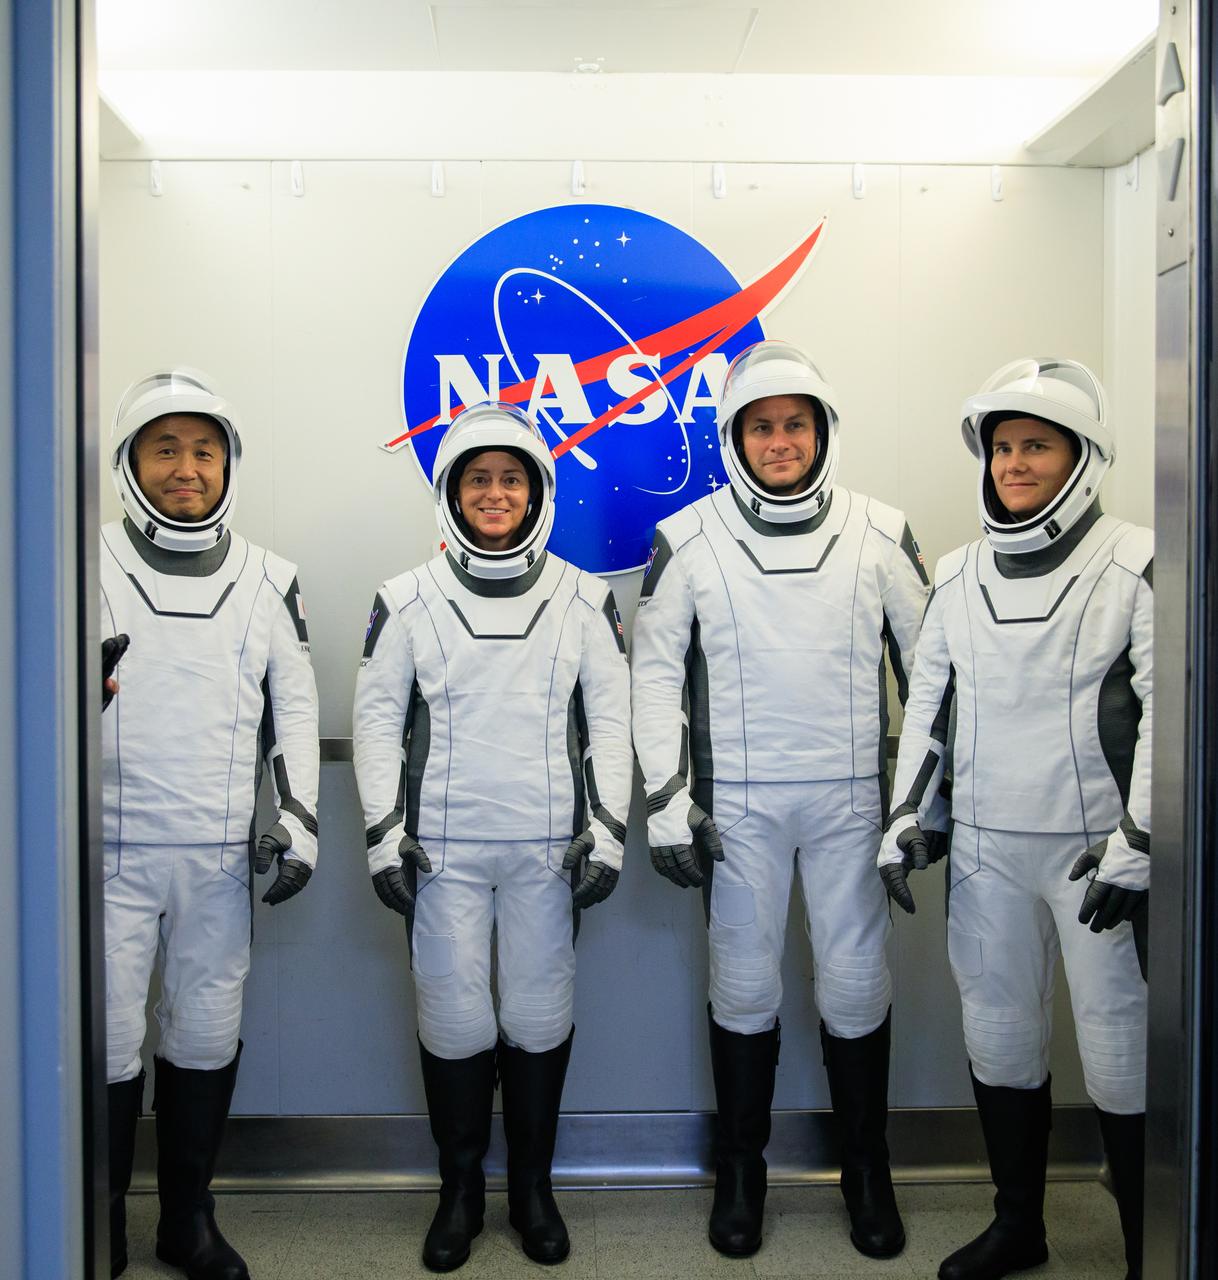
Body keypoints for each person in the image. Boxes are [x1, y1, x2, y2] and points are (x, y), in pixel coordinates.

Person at [631, 340, 930, 1259]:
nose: (780, 441)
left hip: (850, 805)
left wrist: (921, 804)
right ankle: (742, 1171)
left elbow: (932, 673)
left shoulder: (883, 530)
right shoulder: (687, 539)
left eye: (795, 423)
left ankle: (866, 1170)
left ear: (822, 430)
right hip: (740, 812)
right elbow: (652, 678)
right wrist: (669, 798)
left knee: (853, 984)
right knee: (746, 986)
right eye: (761, 426)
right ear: (734, 436)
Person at [878, 357, 1150, 1280]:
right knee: (998, 1034)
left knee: (1119, 1052)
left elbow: (1167, 716)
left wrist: (1141, 843)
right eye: (1003, 447)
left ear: (1084, 457)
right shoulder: (956, 574)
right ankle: (1017, 1225)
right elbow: (928, 706)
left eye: (1036, 445)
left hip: (1096, 857)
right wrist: (908, 815)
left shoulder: (1138, 560)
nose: (1015, 464)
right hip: (987, 853)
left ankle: (1149, 1240)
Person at [353, 401, 632, 1272]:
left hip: (551, 852)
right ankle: (460, 1193)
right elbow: (373, 721)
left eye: (512, 477)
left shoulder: (585, 597)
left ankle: (533, 1192)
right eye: (479, 478)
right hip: (442, 855)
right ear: (452, 492)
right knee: (456, 1016)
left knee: (539, 1015)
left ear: (538, 490)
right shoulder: (404, 600)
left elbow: (613, 721)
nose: (496, 493)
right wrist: (381, 833)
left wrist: (610, 831)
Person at [101, 369, 320, 1280]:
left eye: (203, 451)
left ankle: (186, 1220)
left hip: (219, 856)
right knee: (107, 1043)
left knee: (201, 1035)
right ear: (132, 464)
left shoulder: (270, 578)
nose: (185, 469)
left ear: (228, 466)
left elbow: (296, 711)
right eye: (165, 449)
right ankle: (97, 1219)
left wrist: (299, 823)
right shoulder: (82, 562)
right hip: (101, 858)